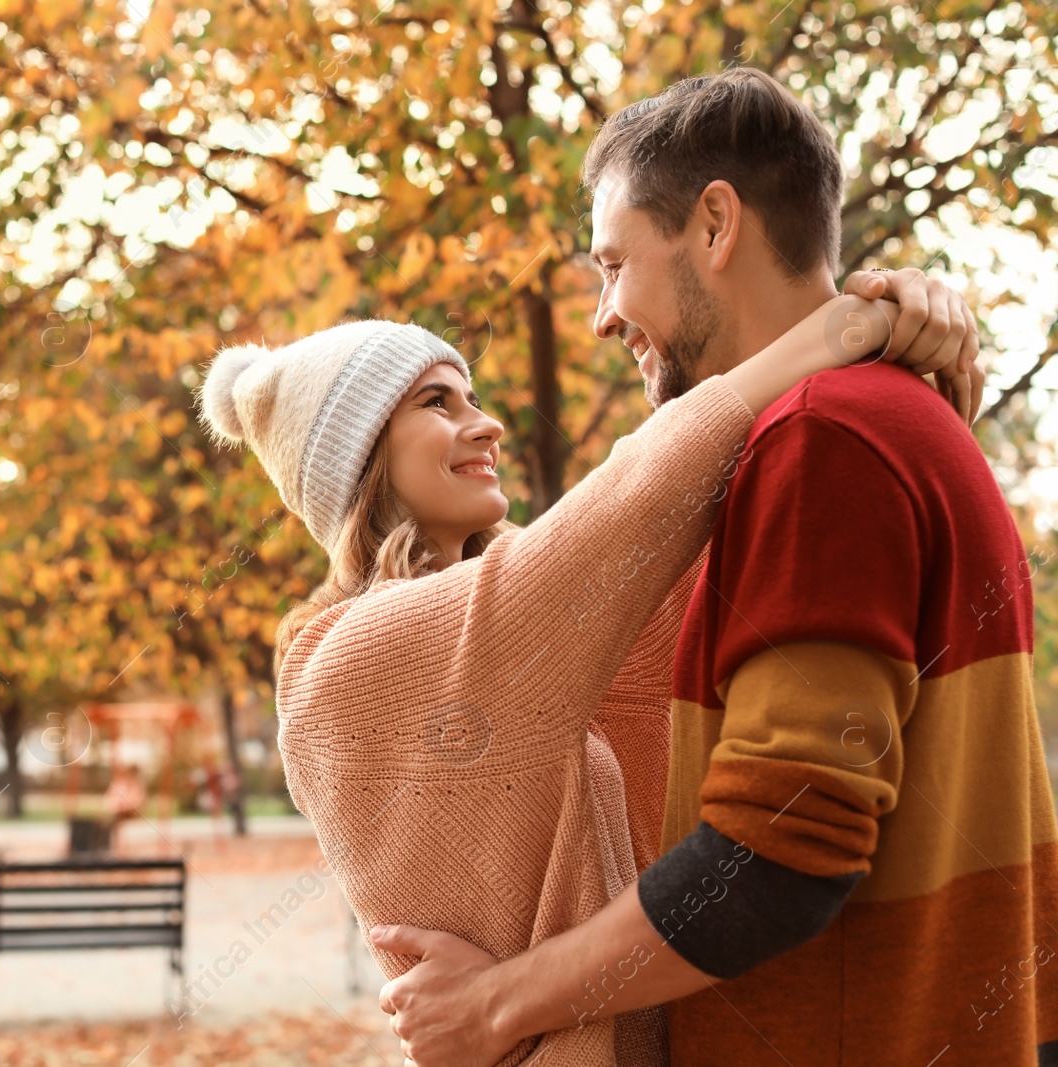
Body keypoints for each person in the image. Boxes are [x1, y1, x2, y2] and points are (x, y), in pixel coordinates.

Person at [373, 68, 1055, 1067]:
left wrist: (493, 1004)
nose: (605, 314)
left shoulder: (821, 440)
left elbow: (774, 852)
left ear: (714, 225)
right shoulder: (898, 414)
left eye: (614, 263)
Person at [195, 286, 974, 1061]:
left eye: (473, 395)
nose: (487, 422)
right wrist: (849, 325)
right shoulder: (351, 664)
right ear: (361, 458)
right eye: (437, 402)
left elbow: (754, 555)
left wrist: (891, 381)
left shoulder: (536, 636)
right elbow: (645, 490)